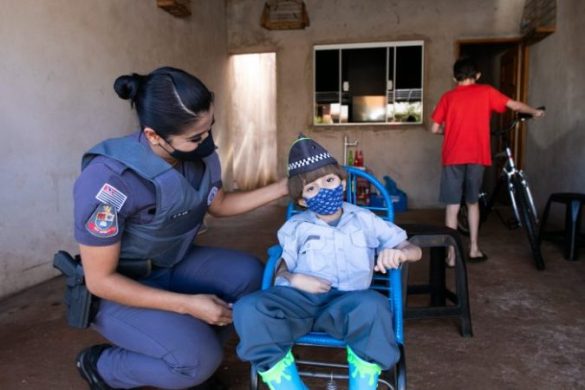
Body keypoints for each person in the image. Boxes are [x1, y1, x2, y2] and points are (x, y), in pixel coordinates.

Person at [72, 66, 288, 389]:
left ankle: (190, 353)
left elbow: (219, 203)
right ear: (153, 136)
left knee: (251, 277)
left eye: (209, 128)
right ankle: (104, 366)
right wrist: (188, 304)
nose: (207, 142)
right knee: (198, 359)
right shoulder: (109, 180)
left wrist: (286, 186)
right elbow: (101, 281)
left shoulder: (200, 157)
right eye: (195, 137)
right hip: (120, 289)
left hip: (172, 263)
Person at [233, 135, 422, 390]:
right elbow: (281, 264)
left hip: (348, 304)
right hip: (300, 301)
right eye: (312, 189)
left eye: (330, 181)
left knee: (374, 306)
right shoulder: (295, 226)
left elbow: (413, 249)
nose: (324, 191)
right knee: (248, 308)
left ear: (342, 183)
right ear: (302, 200)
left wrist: (400, 253)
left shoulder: (365, 219)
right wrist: (293, 278)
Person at [431, 57, 544, 266]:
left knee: (453, 205)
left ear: (454, 77)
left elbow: (434, 128)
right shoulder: (486, 92)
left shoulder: (448, 97)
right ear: (478, 76)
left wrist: (452, 131)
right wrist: (535, 112)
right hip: (477, 155)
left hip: (453, 156)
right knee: (473, 202)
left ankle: (451, 255)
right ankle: (474, 249)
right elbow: (514, 105)